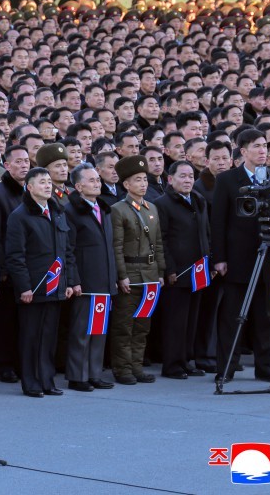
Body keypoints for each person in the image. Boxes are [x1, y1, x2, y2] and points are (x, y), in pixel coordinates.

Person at [210, 129, 270, 383]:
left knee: (266, 317)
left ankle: (266, 367)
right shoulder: (227, 179)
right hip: (237, 259)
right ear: (243, 151)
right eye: (257, 146)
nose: (262, 151)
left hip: (268, 256)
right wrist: (219, 257)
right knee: (232, 317)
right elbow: (218, 221)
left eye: (264, 146)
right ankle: (226, 367)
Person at [5, 167, 77, 397]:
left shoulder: (57, 211)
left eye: (49, 182)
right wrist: (24, 287)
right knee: (31, 337)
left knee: (49, 336)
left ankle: (47, 380)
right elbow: (15, 256)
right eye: (42, 182)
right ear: (29, 187)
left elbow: (66, 251)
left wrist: (68, 282)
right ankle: (31, 383)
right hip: (34, 287)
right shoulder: (20, 216)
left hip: (55, 286)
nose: (48, 186)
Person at [110, 155, 165, 385]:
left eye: (144, 179)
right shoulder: (118, 210)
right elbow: (116, 246)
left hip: (149, 275)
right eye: (137, 180)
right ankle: (122, 369)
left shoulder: (151, 208)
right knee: (124, 326)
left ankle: (136, 366)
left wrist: (160, 272)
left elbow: (158, 243)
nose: (143, 184)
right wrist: (121, 275)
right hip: (131, 274)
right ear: (126, 184)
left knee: (142, 325)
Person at [152, 160, 210, 379]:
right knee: (175, 321)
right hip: (178, 272)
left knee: (192, 320)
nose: (188, 180)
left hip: (198, 270)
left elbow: (206, 233)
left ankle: (186, 360)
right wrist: (169, 269)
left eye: (191, 176)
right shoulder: (162, 203)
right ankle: (172, 364)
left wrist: (209, 262)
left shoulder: (198, 199)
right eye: (182, 176)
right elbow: (162, 239)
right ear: (170, 179)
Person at [62, 163, 116, 391]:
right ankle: (77, 376)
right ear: (78, 186)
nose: (97, 183)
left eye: (97, 180)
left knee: (98, 330)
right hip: (85, 280)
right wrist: (74, 280)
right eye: (91, 180)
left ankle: (94, 373)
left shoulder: (103, 208)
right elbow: (69, 249)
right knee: (81, 331)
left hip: (104, 279)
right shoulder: (71, 211)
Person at [0, 145, 30, 383]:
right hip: (7, 269)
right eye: (18, 162)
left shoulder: (32, 190)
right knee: (6, 320)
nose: (24, 165)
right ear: (7, 165)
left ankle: (23, 364)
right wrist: (0, 269)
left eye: (26, 161)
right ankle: (4, 365)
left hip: (29, 267)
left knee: (25, 321)